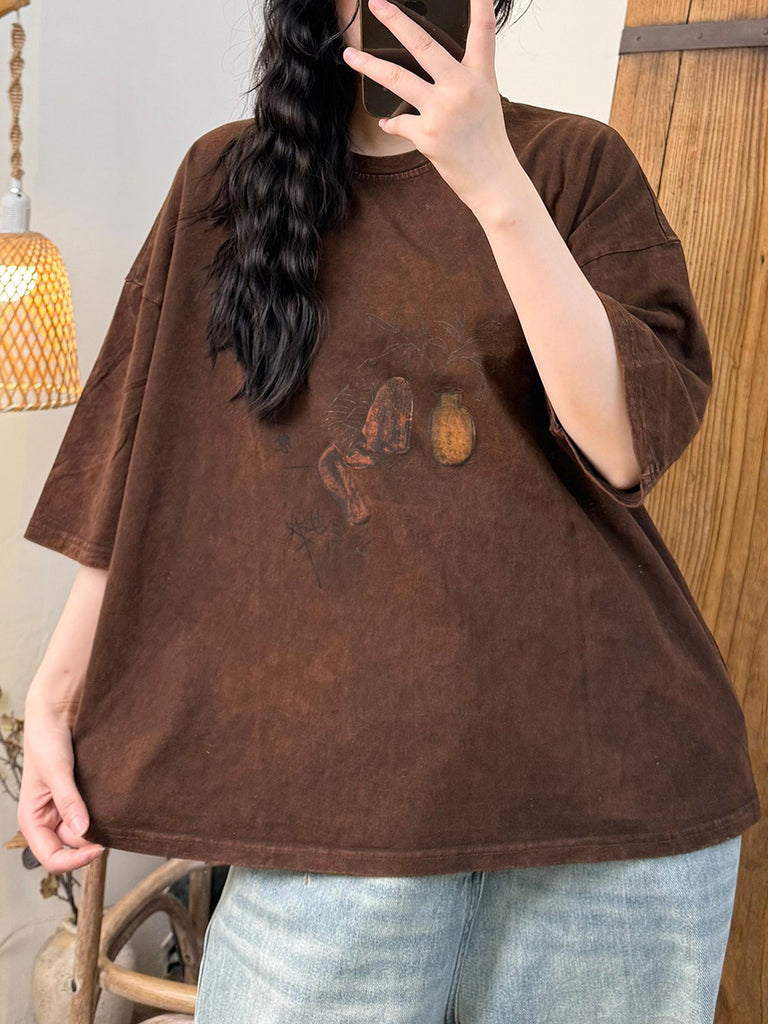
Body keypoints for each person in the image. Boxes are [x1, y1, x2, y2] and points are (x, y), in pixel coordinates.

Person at [19, 0, 761, 1021]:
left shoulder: (574, 165)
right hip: (331, 813)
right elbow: (143, 460)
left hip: (609, 811)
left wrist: (493, 180)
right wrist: (57, 695)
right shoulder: (225, 183)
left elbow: (624, 443)